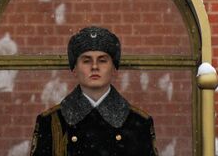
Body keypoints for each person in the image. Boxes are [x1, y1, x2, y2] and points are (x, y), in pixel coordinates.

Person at [29, 26, 159, 155]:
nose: (95, 67)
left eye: (102, 60)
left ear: (114, 68)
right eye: (86, 61)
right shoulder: (51, 123)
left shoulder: (137, 123)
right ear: (74, 69)